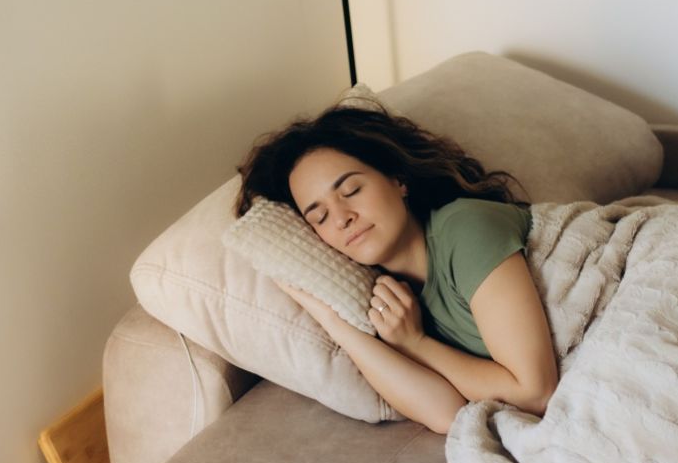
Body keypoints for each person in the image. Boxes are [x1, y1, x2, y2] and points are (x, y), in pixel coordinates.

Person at [233, 100, 559, 435]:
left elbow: (535, 392)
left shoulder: (465, 228)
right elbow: (450, 416)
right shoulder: (393, 307)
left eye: (351, 190)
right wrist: (330, 318)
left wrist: (416, 344)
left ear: (398, 180)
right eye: (320, 217)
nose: (342, 218)